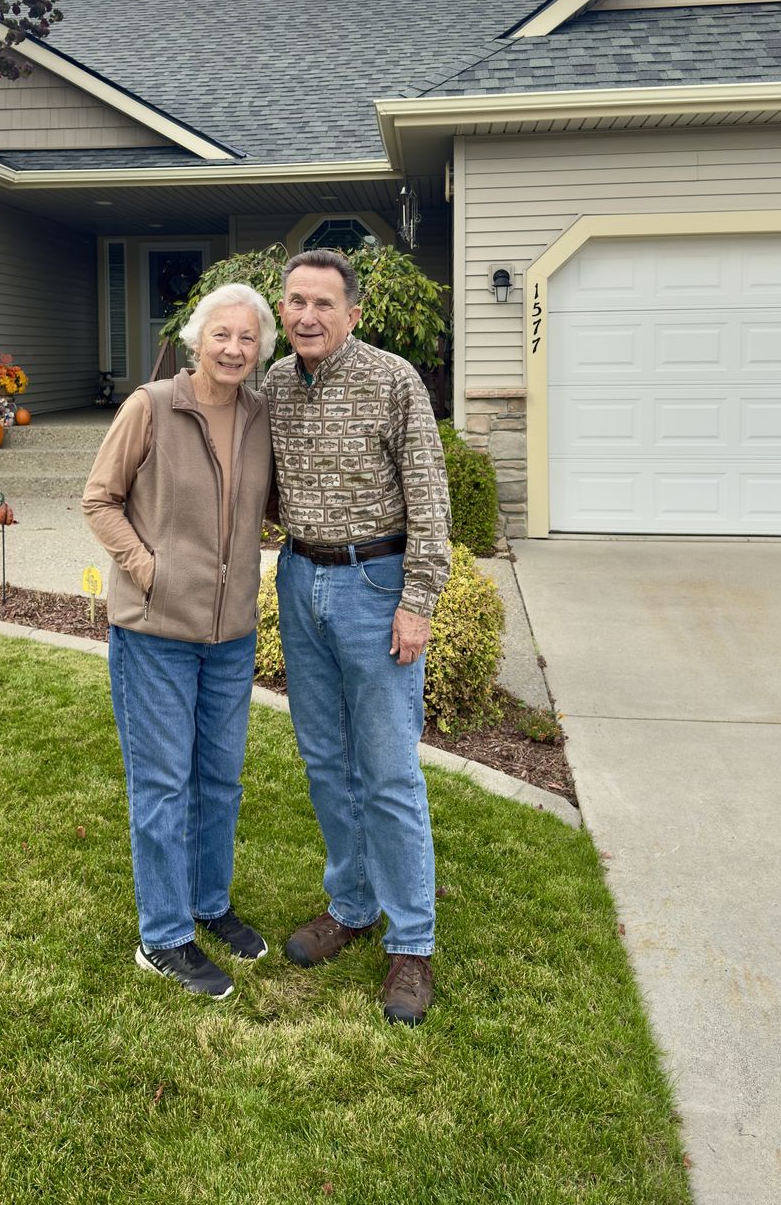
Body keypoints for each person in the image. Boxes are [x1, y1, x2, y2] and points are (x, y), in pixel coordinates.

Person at [262, 248, 451, 1027]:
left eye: (323, 305)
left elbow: (430, 498)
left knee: (388, 770)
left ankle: (412, 941)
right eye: (295, 302)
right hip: (300, 582)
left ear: (354, 314)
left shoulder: (393, 380)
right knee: (324, 763)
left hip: (376, 587)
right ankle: (352, 905)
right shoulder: (273, 383)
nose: (307, 316)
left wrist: (419, 600)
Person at [82, 283, 276, 1000]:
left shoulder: (260, 415)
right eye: (221, 335)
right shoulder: (152, 407)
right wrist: (148, 570)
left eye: (247, 339)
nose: (233, 349)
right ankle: (162, 936)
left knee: (220, 779)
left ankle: (208, 903)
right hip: (156, 632)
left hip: (230, 634)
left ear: (261, 349)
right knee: (163, 785)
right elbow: (99, 499)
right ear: (199, 339)